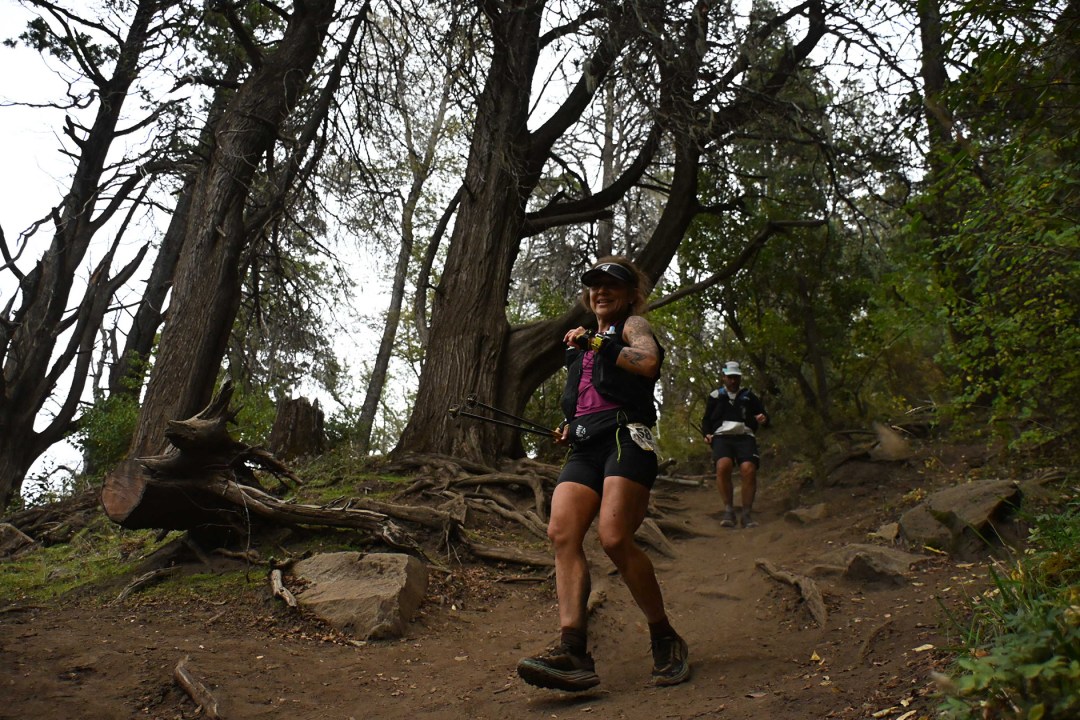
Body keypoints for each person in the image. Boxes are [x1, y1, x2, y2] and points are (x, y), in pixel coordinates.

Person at [516, 257, 690, 692]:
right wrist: (570, 424)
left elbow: (646, 363)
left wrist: (596, 341)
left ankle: (664, 635)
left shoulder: (632, 326)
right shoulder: (578, 350)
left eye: (612, 284)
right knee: (561, 533)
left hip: (626, 437)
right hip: (585, 446)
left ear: (631, 294)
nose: (601, 291)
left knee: (613, 538)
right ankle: (573, 650)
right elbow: (588, 398)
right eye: (594, 285)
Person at [701, 361, 769, 528]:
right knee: (723, 466)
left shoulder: (749, 396)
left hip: (745, 436)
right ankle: (729, 511)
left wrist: (763, 419)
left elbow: (764, 416)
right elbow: (706, 419)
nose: (733, 381)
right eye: (730, 377)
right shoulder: (715, 396)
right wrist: (707, 434)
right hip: (721, 437)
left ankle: (746, 514)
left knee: (749, 469)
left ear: (740, 378)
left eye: (736, 377)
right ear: (724, 377)